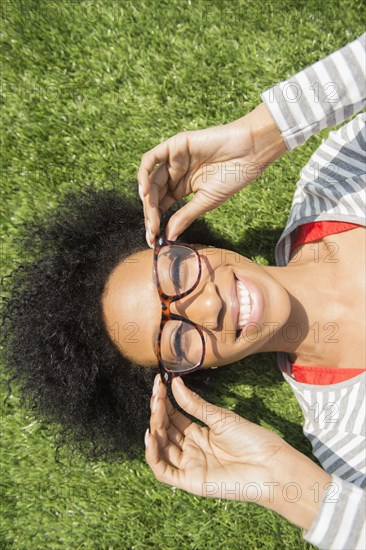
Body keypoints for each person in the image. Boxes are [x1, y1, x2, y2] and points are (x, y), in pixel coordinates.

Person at [138, 33, 366, 549]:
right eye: (176, 340)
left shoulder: (338, 180)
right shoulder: (347, 444)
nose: (209, 307)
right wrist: (286, 489)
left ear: (187, 238)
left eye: (175, 275)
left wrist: (265, 131)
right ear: (194, 374)